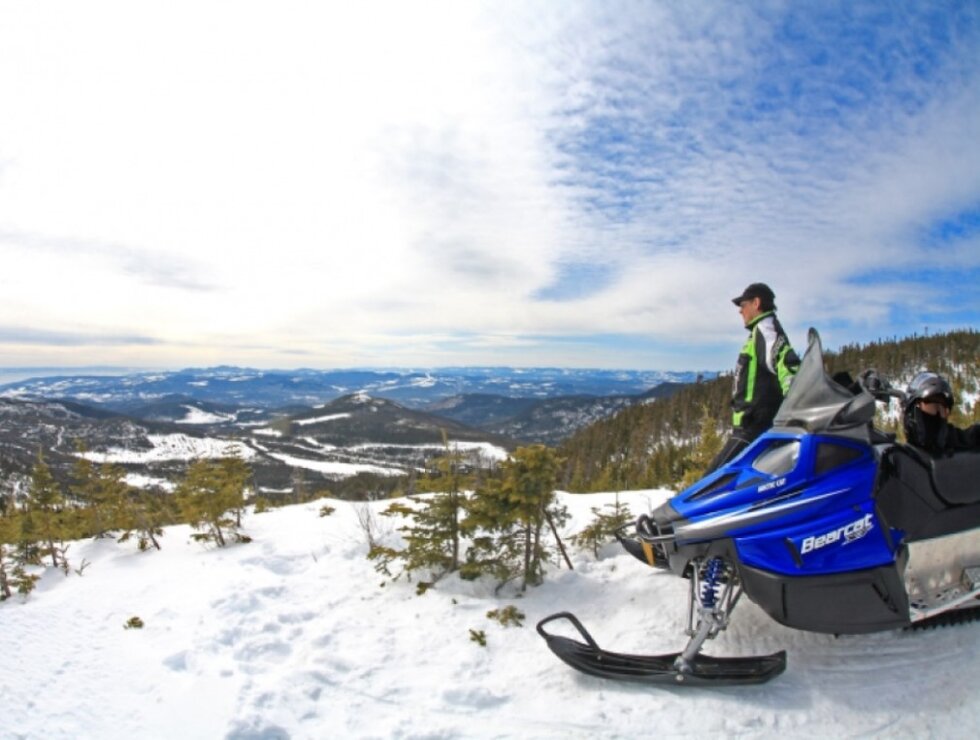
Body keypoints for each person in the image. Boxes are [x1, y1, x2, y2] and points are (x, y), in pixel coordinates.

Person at [707, 282, 800, 473]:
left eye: (743, 305)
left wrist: (795, 398)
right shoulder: (760, 331)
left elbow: (786, 361)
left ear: (756, 303)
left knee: (710, 483)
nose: (740, 311)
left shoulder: (766, 329)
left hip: (754, 427)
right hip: (750, 426)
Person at [902, 371, 980, 454]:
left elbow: (970, 436)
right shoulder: (897, 459)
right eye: (932, 405)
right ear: (913, 411)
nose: (938, 414)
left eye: (943, 408)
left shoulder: (954, 441)